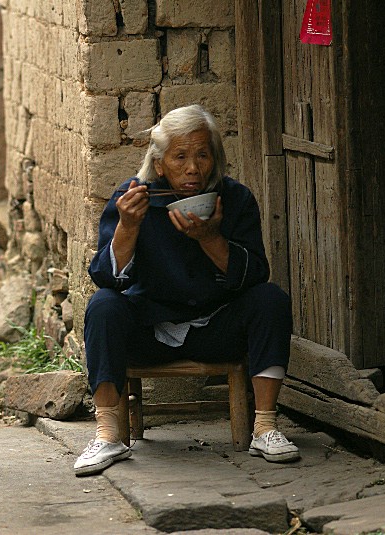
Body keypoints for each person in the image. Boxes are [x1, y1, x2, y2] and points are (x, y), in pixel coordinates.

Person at [74, 104, 299, 477]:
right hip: (151, 333)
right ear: (160, 164)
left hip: (217, 330)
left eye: (202, 155)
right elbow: (105, 277)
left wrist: (211, 239)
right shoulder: (133, 199)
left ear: (215, 159)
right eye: (180, 157)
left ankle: (265, 427)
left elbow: (256, 274)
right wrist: (128, 227)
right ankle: (107, 434)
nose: (193, 168)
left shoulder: (235, 199)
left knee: (271, 299)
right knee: (103, 306)